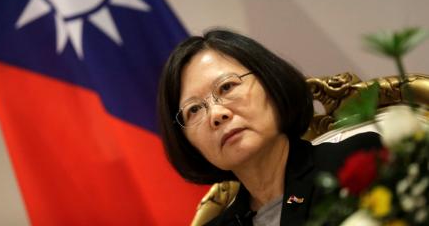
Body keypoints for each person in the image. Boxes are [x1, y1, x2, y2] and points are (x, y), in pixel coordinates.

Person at [157, 29, 381, 226]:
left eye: (227, 87)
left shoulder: (354, 162)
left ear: (271, 83)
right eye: (194, 110)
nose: (216, 114)